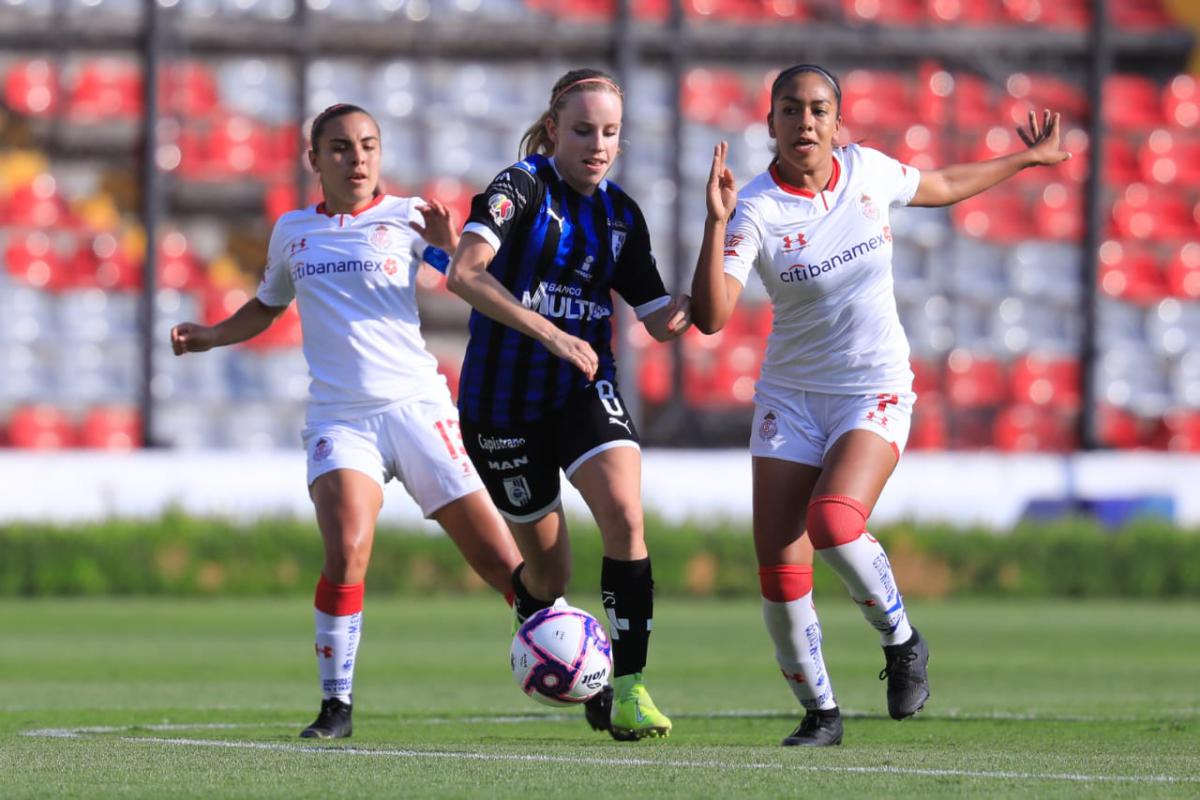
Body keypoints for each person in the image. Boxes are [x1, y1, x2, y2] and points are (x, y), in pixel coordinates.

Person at [691, 64, 1071, 746]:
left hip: (874, 386)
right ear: (769, 122)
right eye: (790, 110)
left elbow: (944, 185)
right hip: (792, 398)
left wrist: (1029, 158)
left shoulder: (868, 171)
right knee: (779, 569)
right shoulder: (753, 207)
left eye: (817, 110)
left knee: (834, 522)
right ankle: (822, 715)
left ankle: (901, 640)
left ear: (839, 122)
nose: (804, 122)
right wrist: (714, 224)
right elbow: (713, 318)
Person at [169, 103, 524, 740]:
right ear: (315, 160)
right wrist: (211, 336)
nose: (356, 159)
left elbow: (472, 284)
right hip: (342, 418)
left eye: (367, 145)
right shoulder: (292, 232)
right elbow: (266, 305)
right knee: (347, 552)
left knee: (502, 564)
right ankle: (336, 707)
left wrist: (445, 246)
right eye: (339, 148)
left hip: (418, 407)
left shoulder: (412, 216)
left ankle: (590, 678)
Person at [445, 68, 691, 741]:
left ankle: (630, 690)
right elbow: (462, 273)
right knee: (550, 574)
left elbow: (663, 320)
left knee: (624, 515)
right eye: (583, 130)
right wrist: (552, 332)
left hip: (581, 390)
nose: (598, 144)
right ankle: (551, 636)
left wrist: (720, 236)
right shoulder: (520, 188)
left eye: (610, 132)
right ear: (553, 129)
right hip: (500, 407)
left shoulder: (621, 216)